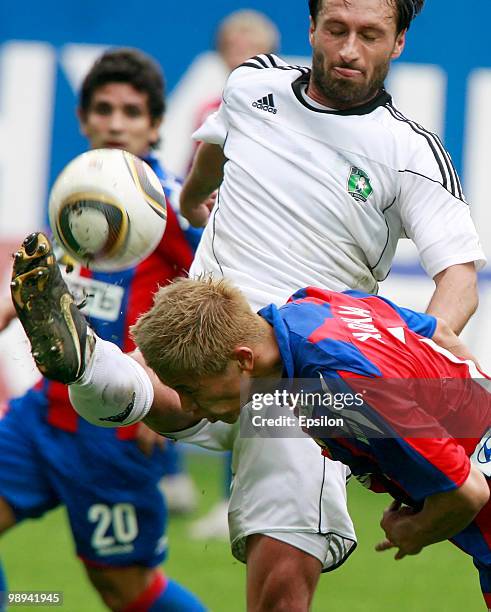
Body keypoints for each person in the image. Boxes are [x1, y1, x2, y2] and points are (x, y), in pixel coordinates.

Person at [9, 0, 487, 609]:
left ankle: (90, 364)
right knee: (161, 387)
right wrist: (193, 202)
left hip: (306, 371)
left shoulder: (410, 150)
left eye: (370, 35)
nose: (347, 50)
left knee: (277, 585)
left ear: (397, 44)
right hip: (208, 327)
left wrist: (419, 347)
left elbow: (460, 277)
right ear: (311, 27)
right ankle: (88, 363)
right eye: (335, 29)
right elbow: (214, 150)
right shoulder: (253, 84)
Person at [129, 276, 491, 609]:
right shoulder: (312, 307)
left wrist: (416, 530)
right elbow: (439, 334)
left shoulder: (344, 384)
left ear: (243, 360)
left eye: (190, 390)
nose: (187, 405)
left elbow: (469, 492)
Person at [0, 49, 205, 611]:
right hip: (44, 415)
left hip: (114, 430)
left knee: (122, 588)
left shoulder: (172, 206)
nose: (116, 122)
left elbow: (216, 305)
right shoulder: (79, 199)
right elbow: (38, 284)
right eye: (104, 108)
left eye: (132, 112)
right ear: (84, 118)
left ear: (156, 125)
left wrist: (172, 395)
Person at [188, 8, 280, 541]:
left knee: (252, 377)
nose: (241, 54)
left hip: (266, 264)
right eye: (233, 44)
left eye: (252, 45)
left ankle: (241, 496)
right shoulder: (211, 109)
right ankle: (190, 485)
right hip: (217, 252)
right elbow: (198, 175)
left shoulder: (289, 108)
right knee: (205, 367)